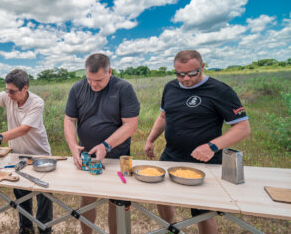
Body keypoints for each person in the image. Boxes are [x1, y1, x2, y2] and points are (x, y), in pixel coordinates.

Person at [144, 50, 251, 234]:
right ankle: (169, 229)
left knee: (203, 211)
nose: (185, 78)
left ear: (202, 66)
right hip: (171, 156)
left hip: (206, 162)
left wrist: (212, 146)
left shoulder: (220, 90)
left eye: (192, 73)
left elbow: (243, 127)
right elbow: (163, 115)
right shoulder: (170, 87)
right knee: (162, 198)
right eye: (179, 73)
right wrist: (151, 139)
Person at [64, 53, 140, 234]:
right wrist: (73, 147)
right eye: (89, 79)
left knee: (117, 202)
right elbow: (69, 120)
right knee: (88, 199)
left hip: (118, 156)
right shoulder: (77, 88)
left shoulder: (124, 88)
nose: (93, 84)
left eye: (98, 80)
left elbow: (131, 125)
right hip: (88, 156)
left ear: (110, 72)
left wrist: (106, 145)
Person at [0, 69, 53, 234]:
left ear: (25, 88)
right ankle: (25, 228)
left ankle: (45, 229)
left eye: (12, 91)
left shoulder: (36, 103)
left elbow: (24, 129)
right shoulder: (6, 96)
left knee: (44, 195)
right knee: (21, 192)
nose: (8, 94)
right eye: (6, 90)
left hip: (39, 154)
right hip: (18, 154)